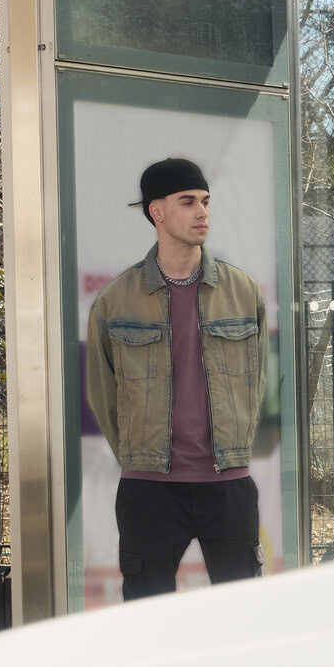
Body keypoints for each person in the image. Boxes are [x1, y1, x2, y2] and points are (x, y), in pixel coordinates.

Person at [86, 157, 268, 599]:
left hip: (227, 484)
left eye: (206, 201)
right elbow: (102, 394)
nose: (202, 212)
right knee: (148, 620)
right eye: (188, 202)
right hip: (150, 492)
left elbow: (257, 381)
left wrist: (236, 447)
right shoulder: (115, 300)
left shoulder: (243, 291)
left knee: (243, 614)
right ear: (157, 212)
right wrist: (138, 455)